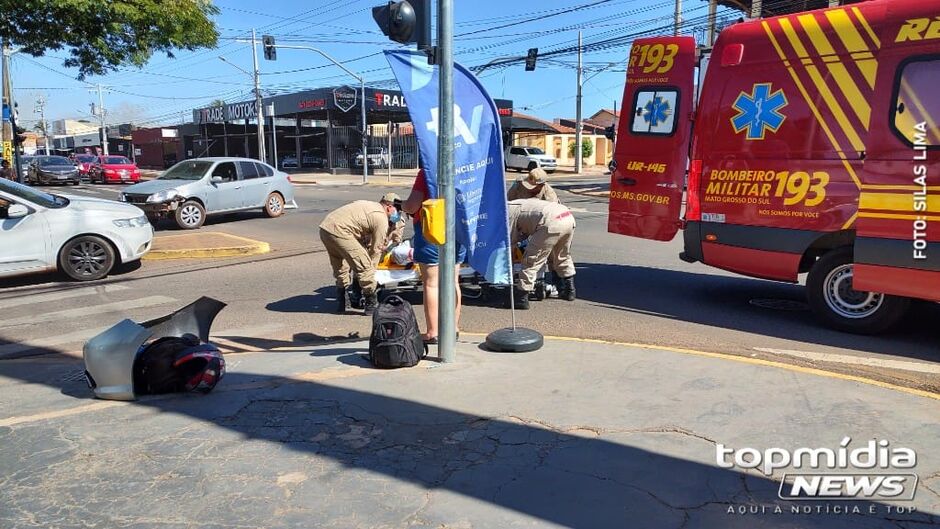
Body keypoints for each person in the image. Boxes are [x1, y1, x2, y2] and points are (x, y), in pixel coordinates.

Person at [402, 168, 467, 344]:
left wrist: (402, 206)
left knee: (431, 284)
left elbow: (413, 205)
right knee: (453, 281)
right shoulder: (463, 167)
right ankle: (453, 328)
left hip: (431, 230)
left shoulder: (429, 171)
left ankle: (434, 332)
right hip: (458, 230)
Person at [319, 193, 402, 316]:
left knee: (340, 264)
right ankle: (371, 304)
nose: (398, 213)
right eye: (397, 209)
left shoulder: (369, 205)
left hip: (325, 228)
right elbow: (376, 250)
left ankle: (342, 301)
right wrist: (371, 275)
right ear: (389, 207)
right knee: (364, 265)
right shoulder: (381, 218)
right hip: (341, 231)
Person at [507, 198, 577, 309]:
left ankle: (521, 298)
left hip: (549, 222)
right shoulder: (519, 203)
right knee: (562, 255)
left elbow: (509, 241)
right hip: (567, 217)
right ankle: (569, 291)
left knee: (531, 260)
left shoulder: (507, 212)